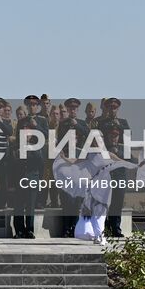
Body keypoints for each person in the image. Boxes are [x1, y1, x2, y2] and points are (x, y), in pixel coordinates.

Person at [9, 95, 47, 238]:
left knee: (31, 203)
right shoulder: (22, 121)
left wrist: (36, 126)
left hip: (34, 164)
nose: (32, 107)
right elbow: (19, 139)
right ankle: (18, 230)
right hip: (21, 166)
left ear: (37, 106)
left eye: (34, 104)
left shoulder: (42, 120)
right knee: (19, 202)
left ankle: (29, 230)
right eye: (29, 104)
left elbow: (45, 137)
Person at [94, 99, 132, 238]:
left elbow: (128, 139)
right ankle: (104, 227)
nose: (112, 110)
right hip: (106, 165)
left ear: (118, 109)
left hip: (119, 167)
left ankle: (115, 227)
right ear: (106, 108)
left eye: (114, 108)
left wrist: (119, 127)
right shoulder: (100, 122)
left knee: (118, 199)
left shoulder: (123, 123)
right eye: (110, 108)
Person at [54, 99, 84, 236]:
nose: (72, 110)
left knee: (77, 200)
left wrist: (77, 125)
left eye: (74, 108)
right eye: (70, 108)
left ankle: (76, 228)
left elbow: (89, 136)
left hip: (79, 164)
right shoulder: (62, 124)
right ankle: (67, 228)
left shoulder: (82, 123)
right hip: (66, 162)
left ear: (77, 110)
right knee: (66, 198)